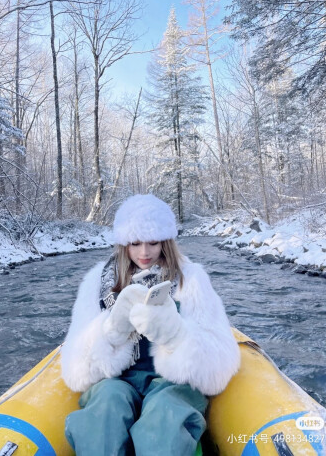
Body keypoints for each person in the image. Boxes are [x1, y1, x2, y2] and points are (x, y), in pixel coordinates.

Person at [61, 194, 240, 456]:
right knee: (105, 409)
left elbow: (219, 366)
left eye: (153, 243)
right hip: (118, 381)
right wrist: (110, 333)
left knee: (165, 417)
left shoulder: (191, 279)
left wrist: (176, 335)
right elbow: (75, 370)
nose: (144, 253)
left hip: (171, 383)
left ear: (166, 242)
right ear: (124, 243)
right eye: (135, 243)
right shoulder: (97, 282)